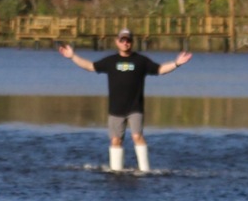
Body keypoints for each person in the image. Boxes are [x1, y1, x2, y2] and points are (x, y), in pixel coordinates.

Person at [58, 29, 192, 172]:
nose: (125, 43)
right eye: (122, 40)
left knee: (137, 136)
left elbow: (160, 69)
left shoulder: (141, 61)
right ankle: (116, 171)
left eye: (128, 40)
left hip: (135, 108)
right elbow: (90, 66)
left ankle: (145, 171)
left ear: (132, 42)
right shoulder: (110, 61)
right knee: (116, 140)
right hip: (116, 110)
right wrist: (73, 56)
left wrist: (176, 63)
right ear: (117, 42)